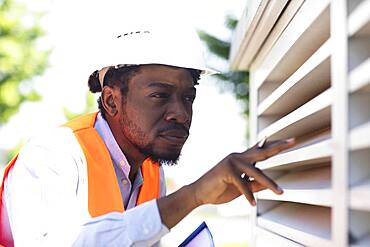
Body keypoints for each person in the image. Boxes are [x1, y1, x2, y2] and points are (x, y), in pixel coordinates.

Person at [0, 19, 295, 247]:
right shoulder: (53, 156)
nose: (181, 113)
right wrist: (193, 195)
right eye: (159, 95)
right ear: (111, 100)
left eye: (188, 97)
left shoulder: (151, 171)